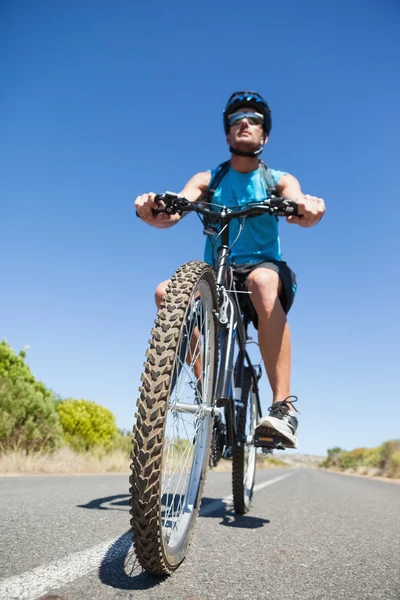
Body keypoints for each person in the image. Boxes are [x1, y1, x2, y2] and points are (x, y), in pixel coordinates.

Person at [135, 91, 325, 449]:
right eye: (237, 118)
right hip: (218, 272)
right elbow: (177, 207)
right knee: (165, 291)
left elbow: (298, 201)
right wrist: (155, 207)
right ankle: (211, 396)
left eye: (254, 119)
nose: (245, 122)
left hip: (263, 270)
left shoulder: (277, 179)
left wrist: (306, 206)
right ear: (227, 135)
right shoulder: (210, 178)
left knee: (262, 280)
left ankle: (283, 407)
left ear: (263, 136)